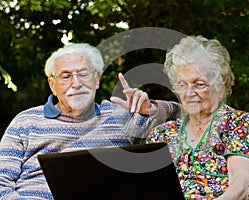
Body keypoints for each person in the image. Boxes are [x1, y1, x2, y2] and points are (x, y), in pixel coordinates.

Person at [0, 43, 180, 199]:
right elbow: (1, 181)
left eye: (83, 74)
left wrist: (152, 109)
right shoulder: (25, 122)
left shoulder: (122, 117)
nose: (76, 83)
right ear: (52, 85)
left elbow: (188, 116)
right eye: (66, 76)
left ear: (96, 80)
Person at [146, 35, 249, 199]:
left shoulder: (239, 124)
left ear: (221, 85)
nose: (189, 93)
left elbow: (241, 187)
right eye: (182, 84)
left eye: (199, 84)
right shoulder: (161, 135)